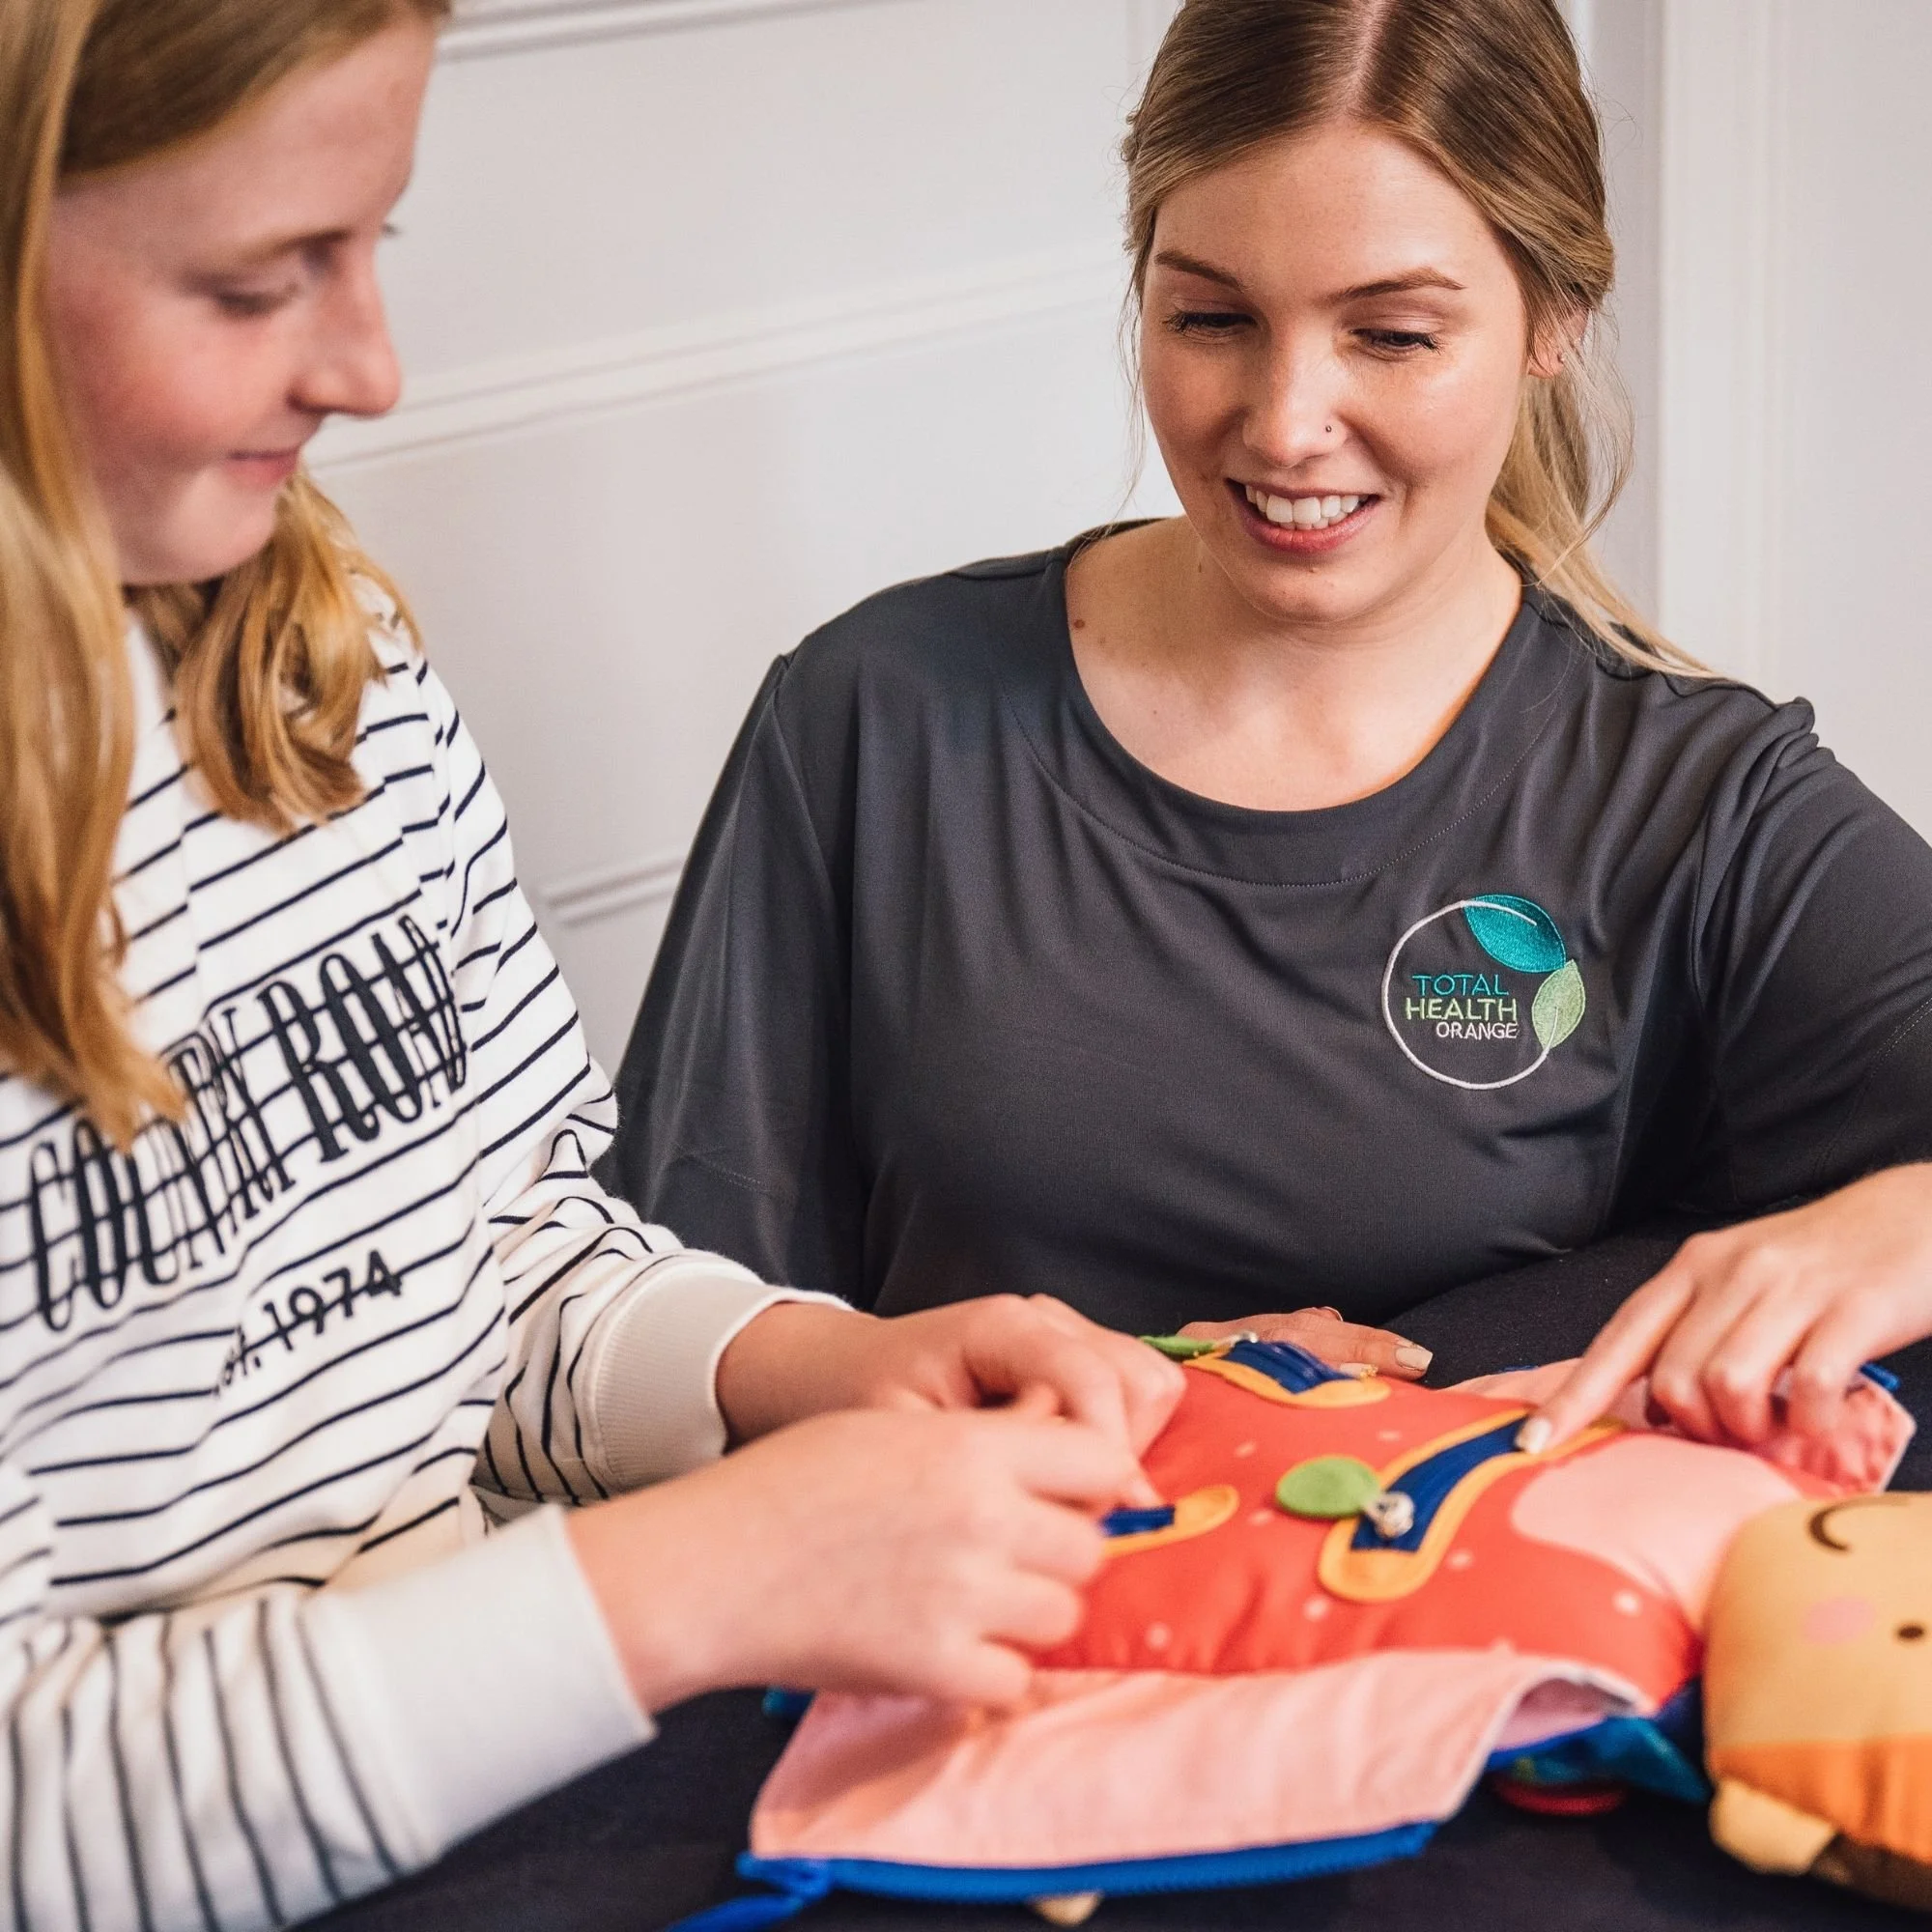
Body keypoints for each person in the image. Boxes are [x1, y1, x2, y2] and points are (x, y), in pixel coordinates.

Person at [0, 3, 1187, 1926]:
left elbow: (493, 1260)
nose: (368, 367)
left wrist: (809, 1369)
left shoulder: (326, 666)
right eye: (254, 280)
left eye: (369, 245)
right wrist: (696, 1576)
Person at [604, 0, 1932, 1460]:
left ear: (1555, 319)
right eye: (1213, 318)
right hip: (955, 1652)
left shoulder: (1696, 809)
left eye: (1393, 333)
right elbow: (652, 1358)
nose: (1287, 422)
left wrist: (1888, 1228)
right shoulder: (878, 721)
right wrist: (1168, 1396)